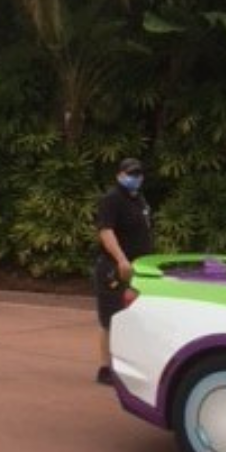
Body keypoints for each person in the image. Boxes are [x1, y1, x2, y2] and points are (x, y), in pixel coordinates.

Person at [93, 157, 153, 385]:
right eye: (130, 174)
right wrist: (121, 260)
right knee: (111, 318)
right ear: (119, 175)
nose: (135, 178)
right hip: (114, 267)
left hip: (139, 267)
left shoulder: (139, 200)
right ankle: (105, 368)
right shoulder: (112, 199)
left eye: (138, 174)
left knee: (133, 317)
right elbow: (106, 231)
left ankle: (127, 365)